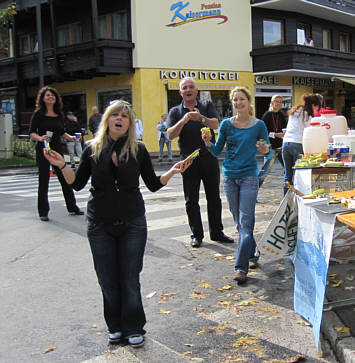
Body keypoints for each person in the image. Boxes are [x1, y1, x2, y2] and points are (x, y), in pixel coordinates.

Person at [43, 100, 191, 347]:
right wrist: (61, 166)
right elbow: (76, 183)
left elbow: (153, 184)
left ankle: (134, 327)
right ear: (107, 120)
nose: (120, 118)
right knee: (107, 279)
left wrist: (173, 172)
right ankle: (115, 326)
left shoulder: (139, 149)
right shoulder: (92, 148)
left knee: (130, 278)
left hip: (133, 221)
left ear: (130, 123)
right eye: (115, 115)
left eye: (125, 116)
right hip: (99, 223)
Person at [201, 86, 270, 284]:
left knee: (246, 223)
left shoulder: (259, 125)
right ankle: (253, 255)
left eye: (242, 99)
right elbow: (216, 151)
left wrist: (265, 150)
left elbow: (268, 152)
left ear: (249, 102)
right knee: (240, 224)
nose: (238, 103)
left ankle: (241, 268)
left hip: (249, 177)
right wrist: (208, 143)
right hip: (229, 177)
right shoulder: (225, 125)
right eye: (235, 100)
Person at [166, 77, 234, 248]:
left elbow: (216, 124)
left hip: (209, 157)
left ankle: (217, 232)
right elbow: (170, 135)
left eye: (191, 87)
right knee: (191, 200)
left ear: (196, 91)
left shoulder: (206, 105)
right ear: (180, 92)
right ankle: (196, 235)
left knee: (214, 198)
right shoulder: (175, 111)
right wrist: (184, 119)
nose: (188, 90)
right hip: (188, 161)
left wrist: (201, 118)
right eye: (184, 88)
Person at [29, 86, 84, 221]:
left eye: (52, 95)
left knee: (64, 179)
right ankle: (43, 212)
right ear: (43, 98)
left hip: (57, 150)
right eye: (47, 95)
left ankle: (72, 207)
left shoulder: (59, 114)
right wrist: (40, 138)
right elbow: (32, 133)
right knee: (44, 180)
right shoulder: (38, 113)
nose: (50, 97)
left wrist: (70, 138)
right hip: (43, 149)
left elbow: (61, 132)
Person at [282, 93, 321, 195]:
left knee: (287, 174)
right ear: (313, 104)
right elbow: (310, 131)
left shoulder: (295, 111)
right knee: (299, 173)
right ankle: (297, 198)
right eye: (316, 106)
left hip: (286, 142)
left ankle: (286, 200)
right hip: (297, 143)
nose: (316, 108)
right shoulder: (307, 114)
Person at [258, 95, 287, 187]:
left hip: (281, 146)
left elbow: (284, 127)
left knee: (288, 169)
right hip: (270, 147)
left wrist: (285, 133)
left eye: (280, 102)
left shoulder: (281, 114)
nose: (279, 104)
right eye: (277, 101)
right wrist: (275, 134)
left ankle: (288, 191)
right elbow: (261, 132)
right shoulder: (267, 115)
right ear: (272, 103)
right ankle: (253, 192)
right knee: (265, 171)